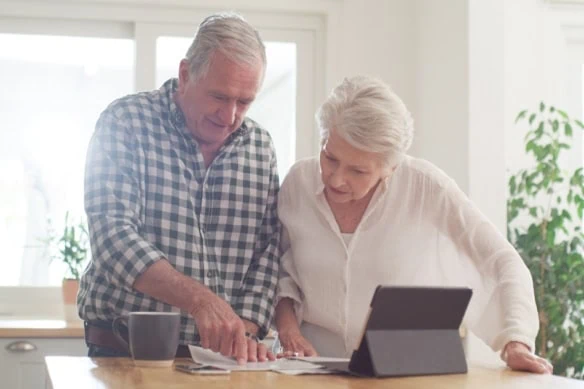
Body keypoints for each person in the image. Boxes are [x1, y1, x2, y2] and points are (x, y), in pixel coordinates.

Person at [274, 75, 553, 374]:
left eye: (357, 170)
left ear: (389, 167)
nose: (336, 178)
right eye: (330, 157)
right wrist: (289, 332)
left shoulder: (426, 187)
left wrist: (517, 340)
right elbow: (281, 271)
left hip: (403, 371)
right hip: (312, 368)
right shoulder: (298, 183)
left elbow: (502, 259)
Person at [78, 12, 280, 364]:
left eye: (244, 102)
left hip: (222, 362)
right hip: (125, 352)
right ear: (186, 75)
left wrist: (242, 331)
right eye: (219, 96)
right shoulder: (125, 122)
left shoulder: (260, 147)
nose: (230, 115)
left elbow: (269, 252)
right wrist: (201, 301)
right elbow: (112, 236)